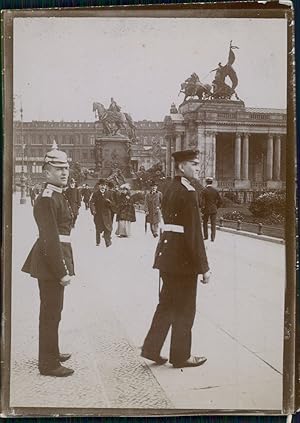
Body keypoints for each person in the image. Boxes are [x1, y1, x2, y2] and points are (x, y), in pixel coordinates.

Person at [141, 149, 211, 369]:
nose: (198, 168)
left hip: (168, 255)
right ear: (182, 167)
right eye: (194, 164)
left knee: (167, 304)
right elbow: (194, 234)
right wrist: (204, 267)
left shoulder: (168, 188)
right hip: (183, 260)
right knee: (185, 308)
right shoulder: (189, 192)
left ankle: (151, 349)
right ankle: (181, 356)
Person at [21, 145, 75, 377]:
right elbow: (50, 239)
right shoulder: (47, 199)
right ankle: (48, 363)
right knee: (51, 312)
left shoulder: (57, 195)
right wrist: (62, 271)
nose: (64, 172)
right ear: (46, 172)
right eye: (58, 168)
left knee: (55, 310)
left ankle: (52, 351)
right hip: (50, 262)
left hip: (54, 258)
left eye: (66, 168)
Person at [90, 179, 115, 247]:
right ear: (99, 186)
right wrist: (93, 210)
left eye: (104, 185)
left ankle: (108, 242)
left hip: (107, 214)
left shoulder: (109, 193)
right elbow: (92, 202)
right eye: (101, 185)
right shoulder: (95, 194)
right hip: (98, 214)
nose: (103, 187)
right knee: (98, 228)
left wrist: (109, 202)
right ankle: (98, 241)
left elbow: (113, 204)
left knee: (108, 228)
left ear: (106, 186)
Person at [202, 177, 222, 242]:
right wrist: (216, 207)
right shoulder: (215, 190)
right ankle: (213, 237)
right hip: (213, 209)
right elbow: (220, 201)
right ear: (212, 182)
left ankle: (206, 236)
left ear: (206, 182)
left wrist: (202, 208)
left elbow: (202, 201)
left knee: (205, 223)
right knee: (213, 224)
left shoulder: (204, 190)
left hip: (206, 209)